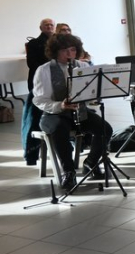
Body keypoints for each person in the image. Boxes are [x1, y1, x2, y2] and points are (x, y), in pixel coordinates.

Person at [33, 33, 113, 188]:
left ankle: (91, 163)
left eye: (73, 50)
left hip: (79, 112)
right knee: (59, 128)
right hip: (53, 114)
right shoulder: (44, 70)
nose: (70, 54)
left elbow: (90, 92)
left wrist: (94, 96)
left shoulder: (83, 66)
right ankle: (68, 172)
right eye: (65, 51)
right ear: (55, 51)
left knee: (105, 128)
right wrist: (60, 106)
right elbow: (39, 100)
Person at [22, 18, 55, 166]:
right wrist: (46, 73)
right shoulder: (34, 43)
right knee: (35, 117)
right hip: (40, 83)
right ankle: (32, 153)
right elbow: (32, 64)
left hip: (56, 82)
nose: (49, 27)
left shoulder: (58, 42)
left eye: (51, 25)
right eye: (46, 25)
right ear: (41, 28)